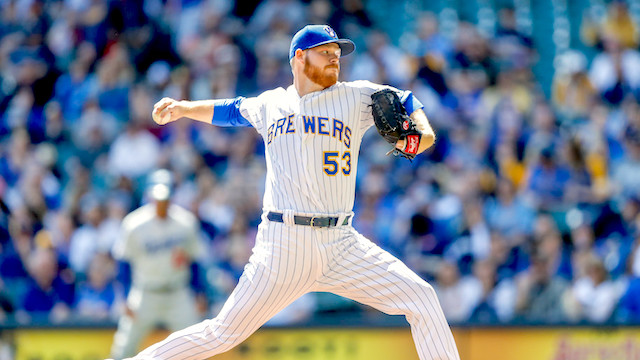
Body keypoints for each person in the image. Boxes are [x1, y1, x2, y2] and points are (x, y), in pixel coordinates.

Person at [133, 24, 461, 360]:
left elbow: (406, 101)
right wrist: (185, 108)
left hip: (341, 244)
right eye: (326, 53)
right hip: (282, 246)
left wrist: (421, 135)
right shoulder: (271, 103)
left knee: (421, 298)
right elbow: (231, 110)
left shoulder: (354, 95)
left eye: (338, 55)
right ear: (299, 58)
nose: (335, 60)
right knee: (221, 333)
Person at [110, 169, 205, 359]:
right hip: (145, 293)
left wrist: (199, 292)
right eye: (158, 198)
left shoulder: (185, 222)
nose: (162, 203)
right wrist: (123, 296)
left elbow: (194, 261)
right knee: (123, 349)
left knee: (198, 347)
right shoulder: (134, 224)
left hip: (178, 293)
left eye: (166, 199)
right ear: (150, 195)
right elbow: (124, 264)